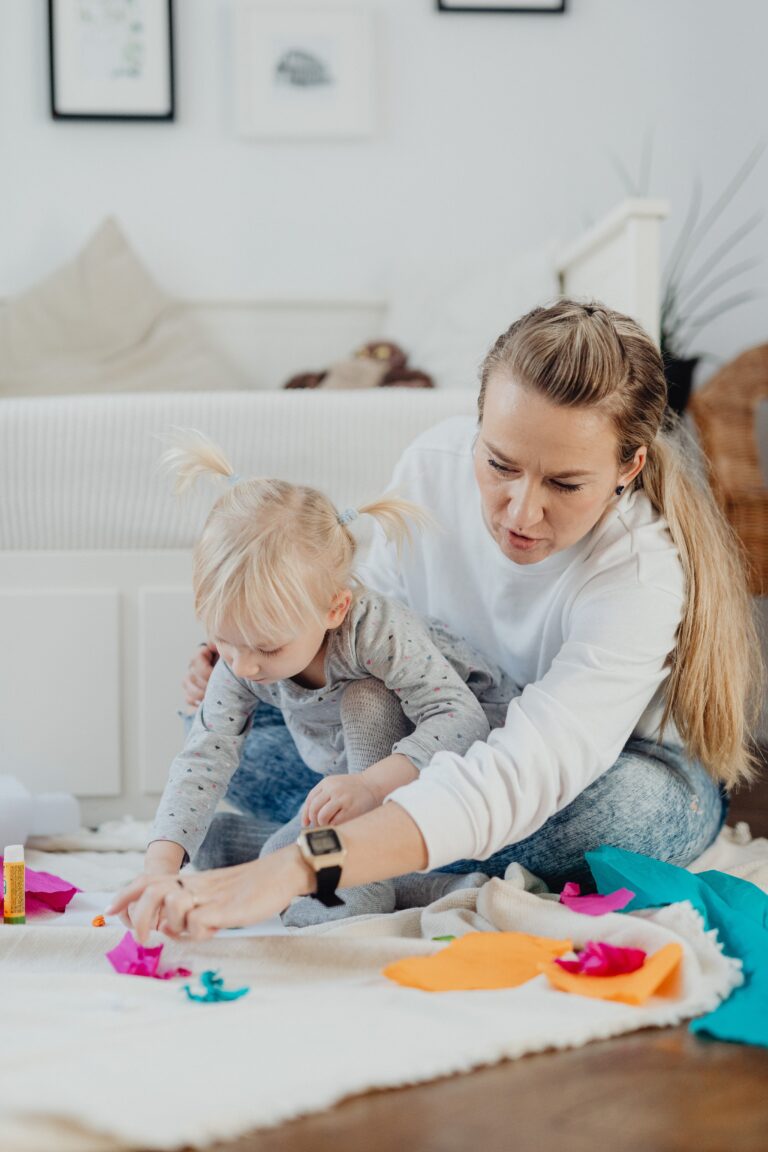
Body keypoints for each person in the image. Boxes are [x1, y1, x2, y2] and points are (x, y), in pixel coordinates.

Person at [110, 299, 763, 942]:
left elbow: (525, 772)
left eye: (565, 484)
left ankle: (325, 850)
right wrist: (271, 659)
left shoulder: (639, 572)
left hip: (596, 772)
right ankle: (392, 851)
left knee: (621, 818)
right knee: (226, 730)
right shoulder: (431, 465)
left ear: (628, 467)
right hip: (435, 736)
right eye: (499, 464)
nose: (522, 513)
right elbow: (370, 637)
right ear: (476, 424)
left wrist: (298, 867)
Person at [139, 429, 514, 927]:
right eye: (224, 639)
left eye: (267, 647)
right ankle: (432, 883)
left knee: (364, 696)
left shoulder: (374, 631)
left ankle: (367, 885)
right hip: (351, 774)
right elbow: (205, 756)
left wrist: (369, 786)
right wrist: (158, 868)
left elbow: (464, 721)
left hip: (450, 761)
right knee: (212, 841)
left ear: (335, 608)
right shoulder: (240, 658)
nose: (244, 665)